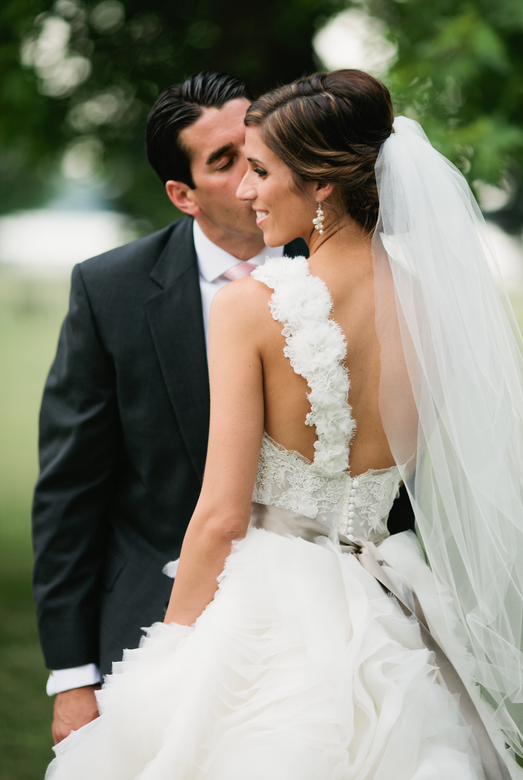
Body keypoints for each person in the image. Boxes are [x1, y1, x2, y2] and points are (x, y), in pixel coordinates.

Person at [44, 70, 523, 780]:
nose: (248, 189)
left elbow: (219, 516)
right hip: (385, 605)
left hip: (266, 611)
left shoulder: (252, 307)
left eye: (262, 170)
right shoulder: (439, 311)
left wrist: (172, 656)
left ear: (321, 184)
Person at [32, 70, 317, 745]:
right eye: (224, 161)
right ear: (181, 194)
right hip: (152, 628)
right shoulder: (111, 292)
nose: (251, 169)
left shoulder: (342, 272)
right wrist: (72, 676)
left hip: (316, 626)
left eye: (257, 144)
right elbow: (71, 494)